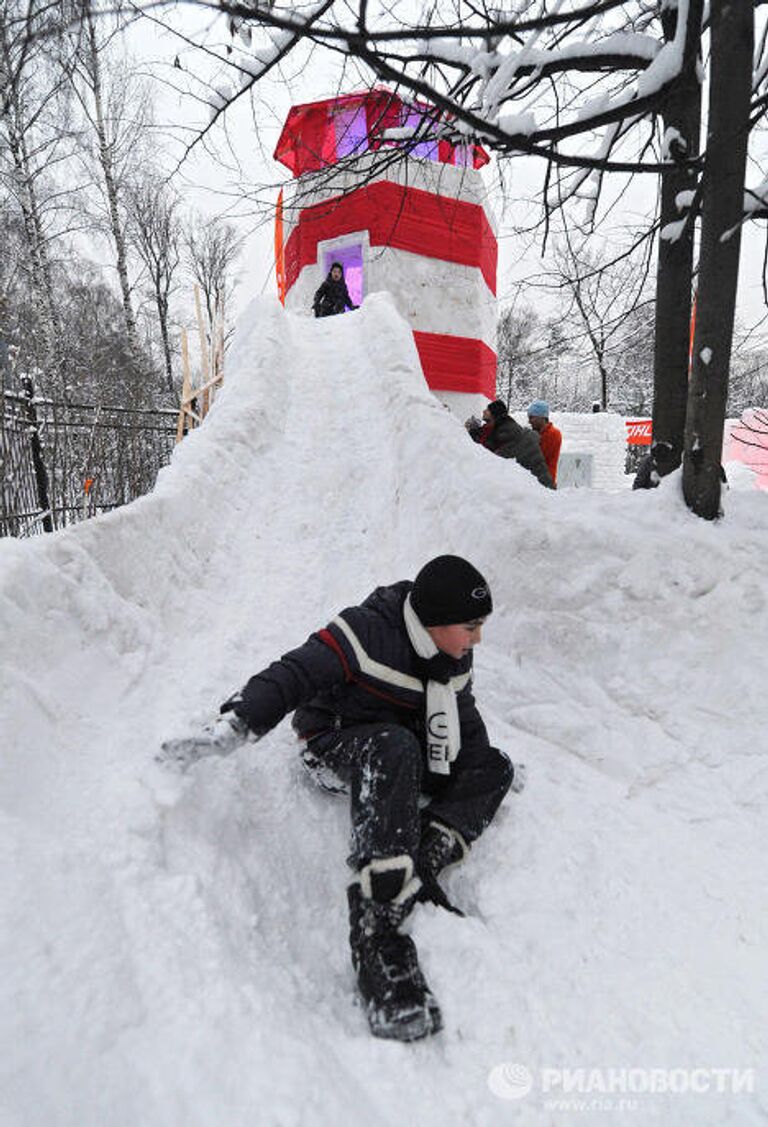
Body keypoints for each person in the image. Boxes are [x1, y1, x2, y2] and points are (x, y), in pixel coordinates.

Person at [160, 555, 523, 1043]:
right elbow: (293, 673)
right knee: (395, 749)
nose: (477, 638)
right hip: (336, 741)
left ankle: (425, 857)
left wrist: (475, 771)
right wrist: (236, 724)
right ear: (434, 621)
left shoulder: (455, 655)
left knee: (492, 764)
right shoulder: (368, 631)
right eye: (471, 627)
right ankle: (378, 932)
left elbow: (461, 713)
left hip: (408, 741)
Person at [466, 399, 554, 488]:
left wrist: (472, 433)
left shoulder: (506, 432)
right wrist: (475, 432)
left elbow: (490, 454)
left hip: (541, 485)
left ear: (494, 414)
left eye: (488, 410)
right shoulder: (502, 428)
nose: (484, 411)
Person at [527, 400, 562, 486]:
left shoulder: (553, 434)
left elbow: (538, 457)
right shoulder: (537, 433)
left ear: (542, 417)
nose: (529, 421)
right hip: (535, 481)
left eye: (532, 417)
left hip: (545, 482)